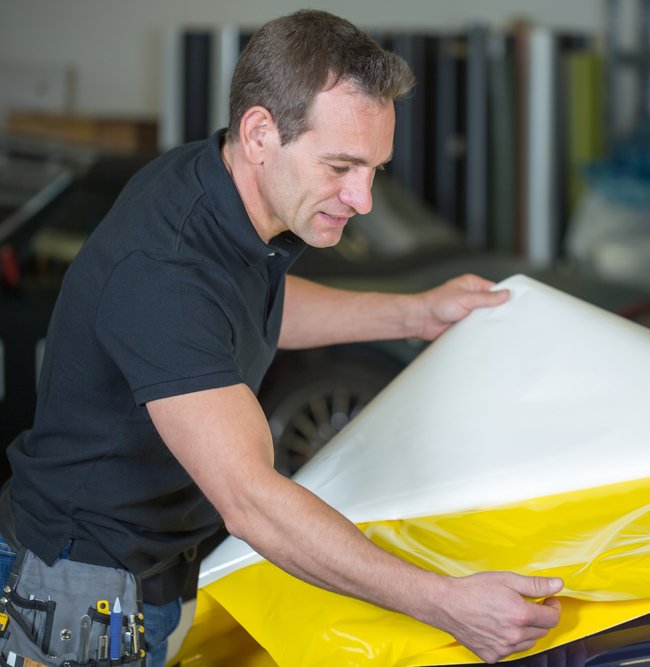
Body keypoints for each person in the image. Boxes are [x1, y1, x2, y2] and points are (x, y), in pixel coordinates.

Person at [1, 10, 562, 667]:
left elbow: (247, 309)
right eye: (342, 167)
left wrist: (413, 313)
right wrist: (445, 602)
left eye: (374, 169)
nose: (363, 198)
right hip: (83, 591)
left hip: (149, 572)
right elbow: (251, 501)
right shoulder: (165, 267)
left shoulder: (224, 194)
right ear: (261, 132)